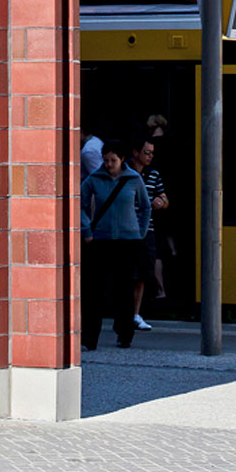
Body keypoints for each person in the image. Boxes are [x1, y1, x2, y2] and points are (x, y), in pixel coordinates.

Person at [79, 138, 151, 351]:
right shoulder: (94, 178)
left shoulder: (133, 178)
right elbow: (79, 203)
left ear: (122, 159)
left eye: (113, 160)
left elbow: (145, 206)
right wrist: (87, 230)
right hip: (101, 240)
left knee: (124, 289)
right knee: (95, 290)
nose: (109, 164)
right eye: (106, 160)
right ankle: (90, 336)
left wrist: (140, 232)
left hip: (128, 241)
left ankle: (124, 333)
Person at [128, 135, 168, 330]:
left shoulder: (154, 174)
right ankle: (127, 313)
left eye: (152, 153)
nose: (150, 156)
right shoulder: (124, 172)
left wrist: (161, 202)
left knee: (142, 274)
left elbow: (164, 198)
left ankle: (135, 314)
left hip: (146, 230)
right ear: (136, 152)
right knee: (127, 273)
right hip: (126, 230)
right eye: (147, 152)